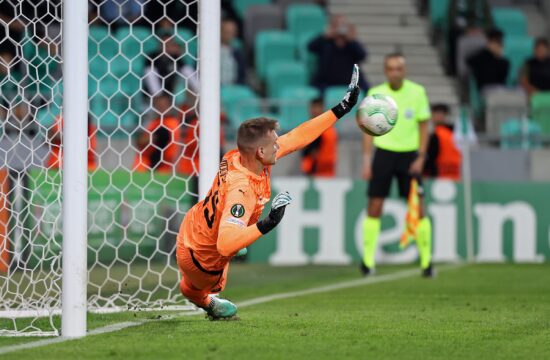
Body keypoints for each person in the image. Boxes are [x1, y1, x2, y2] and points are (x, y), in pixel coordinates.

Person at [176, 66, 360, 319]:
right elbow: (225, 244)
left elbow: (297, 137)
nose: (279, 144)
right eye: (274, 143)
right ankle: (206, 299)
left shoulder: (238, 156)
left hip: (190, 231)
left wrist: (340, 109)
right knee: (215, 274)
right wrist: (268, 223)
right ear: (260, 152)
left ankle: (197, 287)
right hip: (204, 262)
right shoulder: (243, 189)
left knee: (221, 248)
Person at [359, 54, 433, 277]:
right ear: (385, 71)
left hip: (409, 156)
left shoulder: (417, 92)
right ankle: (368, 261)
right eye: (391, 69)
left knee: (417, 207)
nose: (395, 72)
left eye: (399, 68)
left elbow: (423, 126)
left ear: (405, 70)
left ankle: (426, 262)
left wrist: (421, 156)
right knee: (375, 206)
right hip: (383, 154)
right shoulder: (375, 95)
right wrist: (366, 159)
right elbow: (367, 129)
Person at [308, 15, 369, 92]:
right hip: (326, 81)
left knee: (367, 90)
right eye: (337, 25)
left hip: (350, 80)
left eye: (343, 25)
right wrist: (325, 36)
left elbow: (363, 55)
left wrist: (352, 40)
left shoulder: (351, 44)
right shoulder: (325, 42)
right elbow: (310, 47)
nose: (340, 29)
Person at [133, 93, 182, 173]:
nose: (160, 109)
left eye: (163, 106)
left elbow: (143, 141)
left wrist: (144, 137)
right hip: (146, 169)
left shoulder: (168, 124)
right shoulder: (157, 121)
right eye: (157, 105)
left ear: (170, 106)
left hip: (156, 170)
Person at [423, 104, 462, 181]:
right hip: (454, 173)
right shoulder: (454, 133)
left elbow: (431, 157)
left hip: (439, 175)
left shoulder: (437, 135)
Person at [301, 98, 338, 177]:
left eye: (317, 107)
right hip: (313, 170)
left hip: (322, 170)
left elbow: (314, 151)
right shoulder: (309, 127)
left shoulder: (325, 128)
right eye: (313, 107)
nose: (314, 110)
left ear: (322, 108)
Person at [466, 29, 509, 93]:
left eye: (499, 43)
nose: (497, 45)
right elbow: (469, 60)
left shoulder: (504, 62)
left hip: (499, 88)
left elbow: (502, 79)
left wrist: (497, 56)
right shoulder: (480, 57)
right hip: (485, 88)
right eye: (495, 42)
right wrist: (487, 51)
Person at [220, 18, 245, 85]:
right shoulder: (208, 52)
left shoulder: (237, 52)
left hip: (234, 87)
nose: (231, 36)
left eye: (233, 32)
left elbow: (242, 74)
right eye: (227, 32)